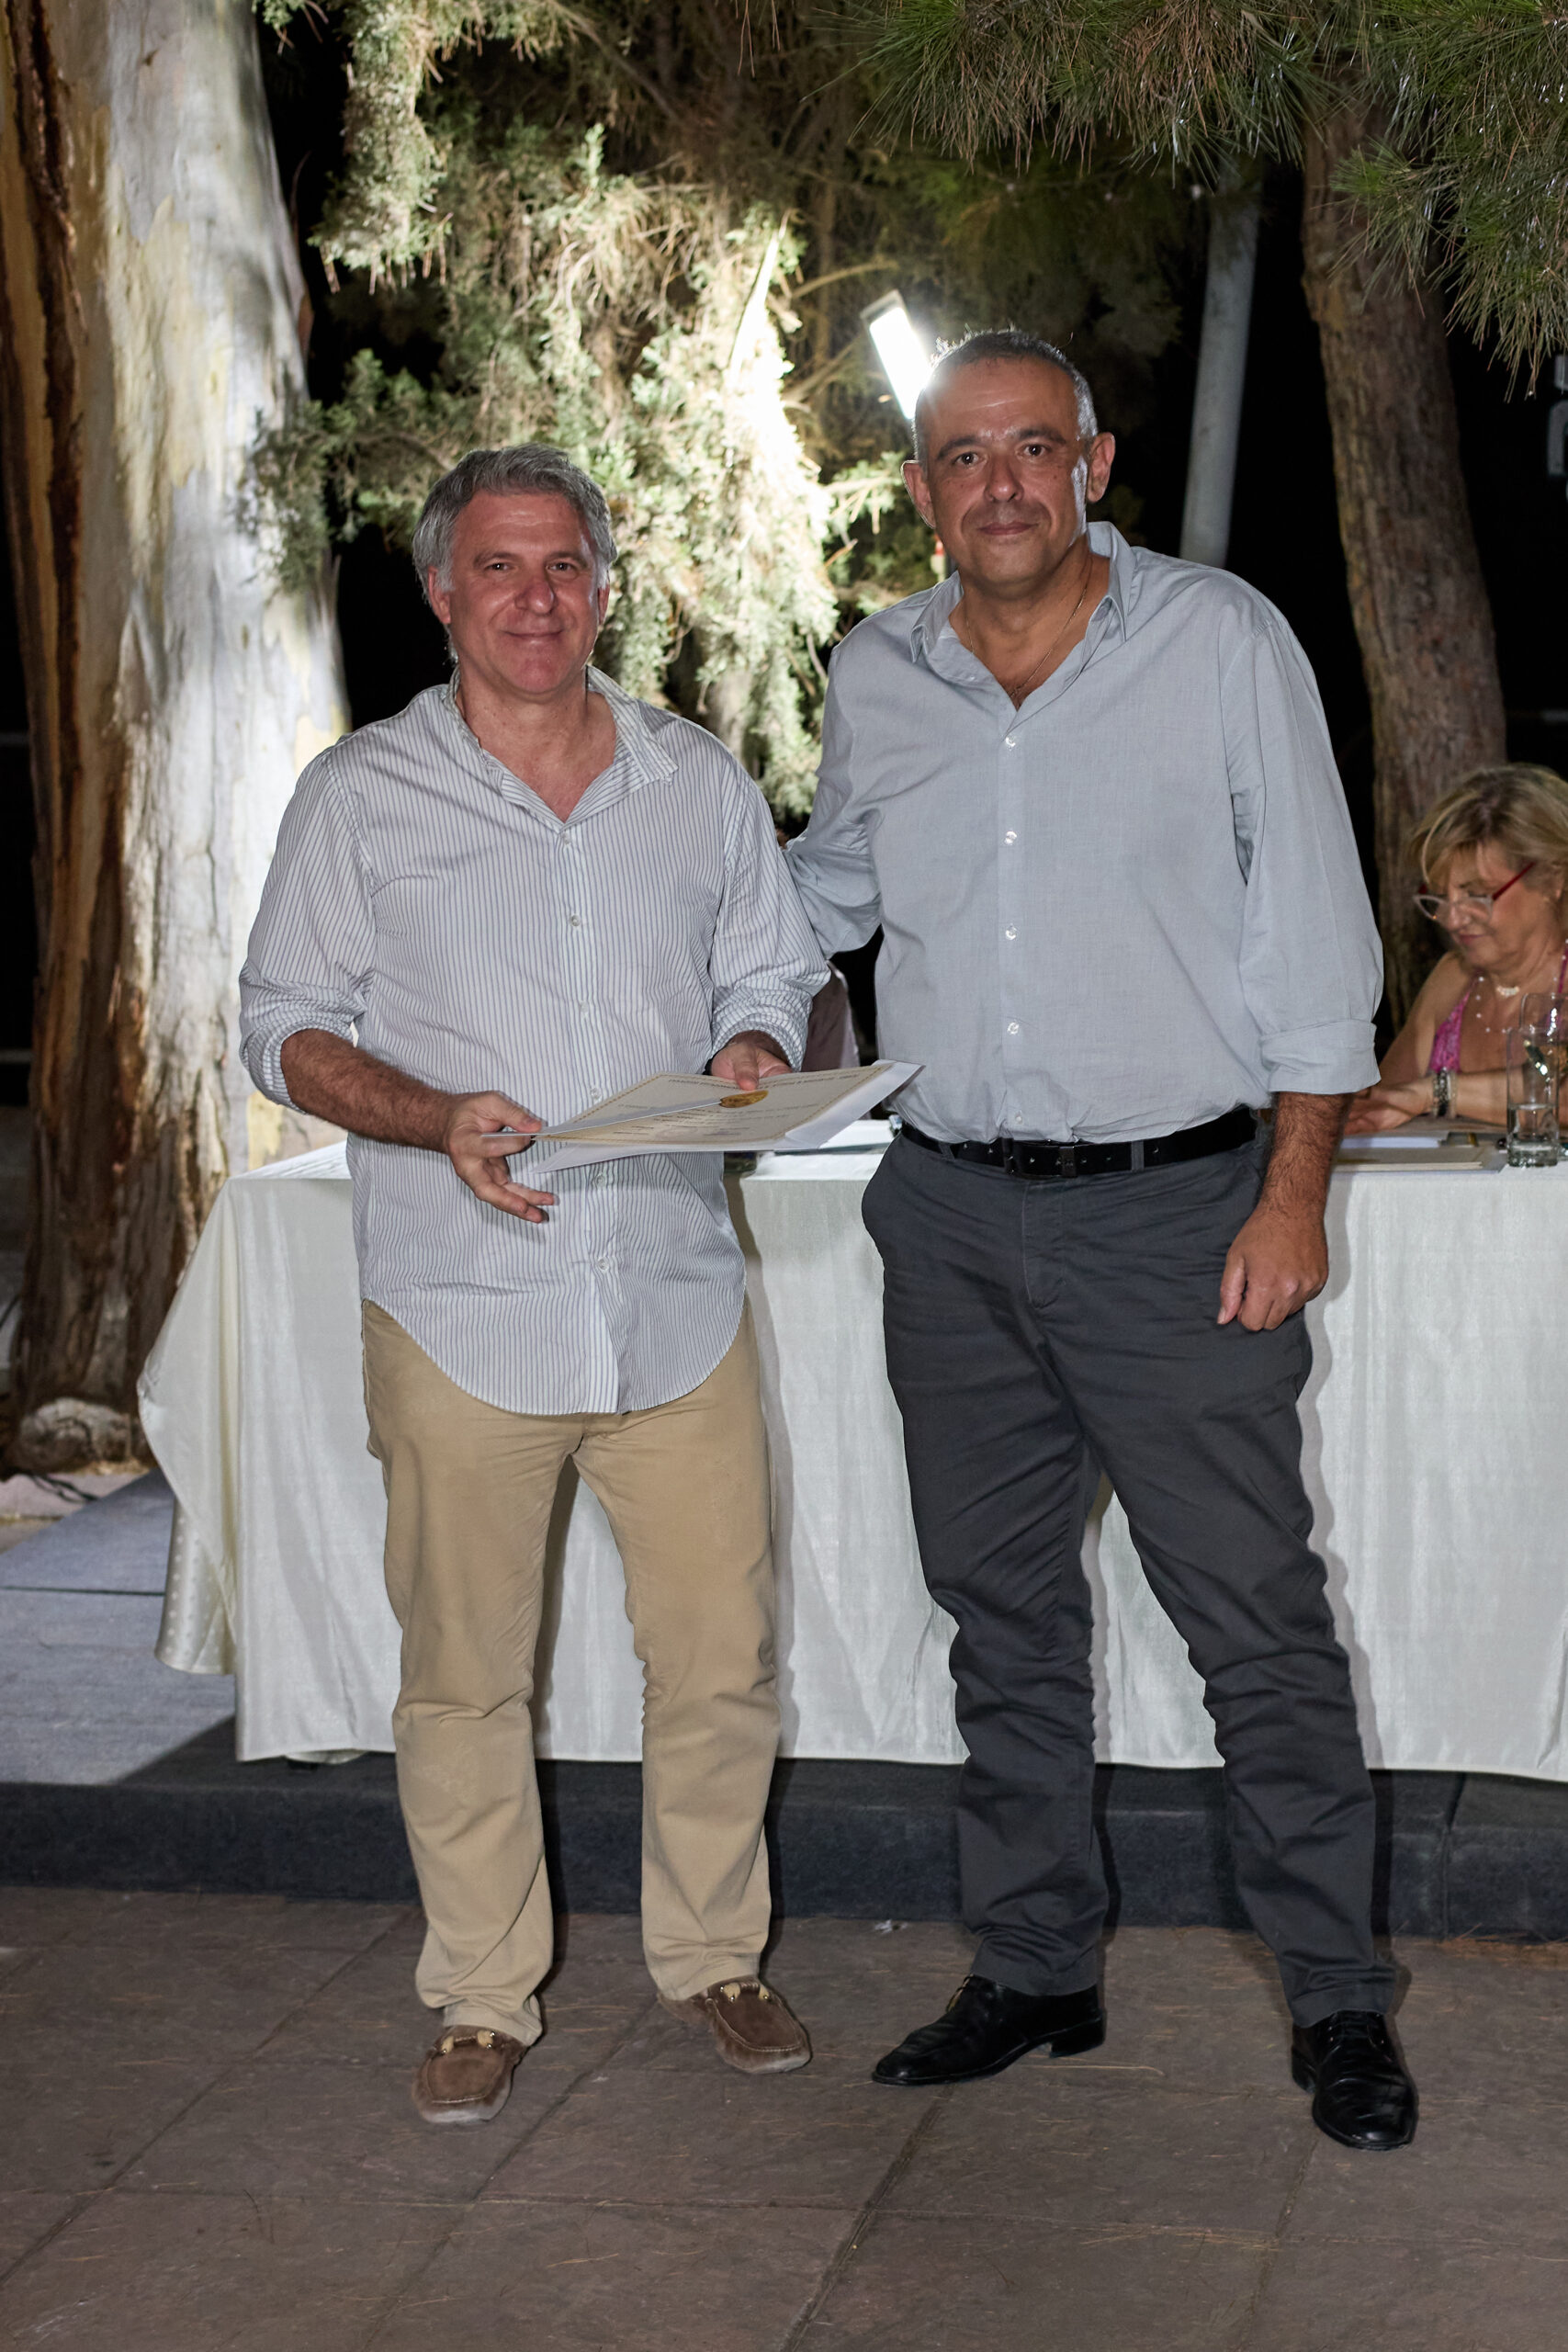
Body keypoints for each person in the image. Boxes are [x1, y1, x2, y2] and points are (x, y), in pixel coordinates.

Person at [786, 329, 1418, 2153]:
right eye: (960, 454)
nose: (998, 483)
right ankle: (1036, 1961)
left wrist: (1291, 1193)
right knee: (1001, 1617)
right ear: (922, 487)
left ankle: (1335, 1998)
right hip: (947, 1214)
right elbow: (829, 889)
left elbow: (1315, 936)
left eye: (1031, 447)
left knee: (1256, 1629)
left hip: (1179, 1215)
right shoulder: (877, 674)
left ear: (1093, 463)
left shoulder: (1217, 642)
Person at [240, 444, 826, 2126]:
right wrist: (430, 1115)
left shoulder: (693, 778)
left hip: (672, 1294)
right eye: (497, 567)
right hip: (459, 1303)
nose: (534, 597)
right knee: (462, 1678)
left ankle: (713, 1957)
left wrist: (753, 1041)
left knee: (721, 1660)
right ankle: (483, 1995)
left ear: (604, 586)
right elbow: (279, 1025)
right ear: (441, 591)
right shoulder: (359, 795)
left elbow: (770, 965)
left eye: (563, 564)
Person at [1346, 765, 1568, 1135]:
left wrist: (1434, 1093)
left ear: (1553, 879)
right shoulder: (1454, 976)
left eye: (1477, 895)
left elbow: (1559, 1097)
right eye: (1441, 897)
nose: (1451, 919)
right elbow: (1383, 1101)